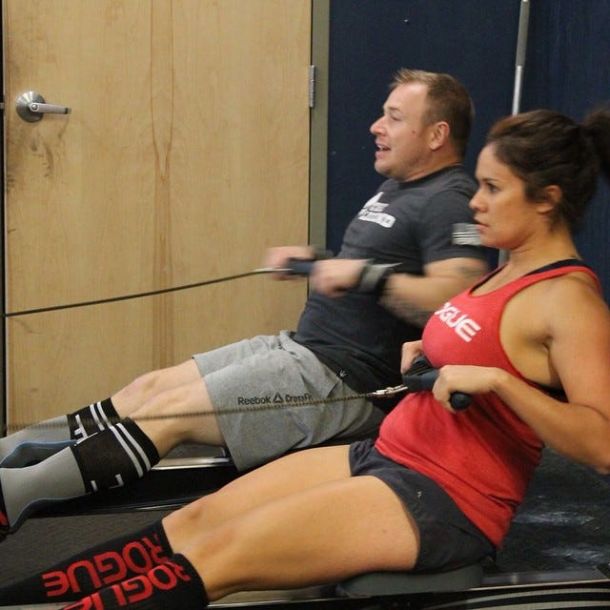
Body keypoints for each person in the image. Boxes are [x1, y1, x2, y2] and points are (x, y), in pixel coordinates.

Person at [2, 105, 610, 608]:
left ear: (547, 199)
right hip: (387, 452)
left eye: (493, 188)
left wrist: (501, 384)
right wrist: (426, 347)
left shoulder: (569, 300)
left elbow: (601, 443)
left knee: (219, 554)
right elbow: (483, 340)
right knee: (194, 523)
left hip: (446, 498)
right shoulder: (506, 269)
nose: (475, 202)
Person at [0, 69, 489, 538]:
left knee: (168, 414)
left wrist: (364, 274)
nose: (376, 126)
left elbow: (454, 294)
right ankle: (9, 452)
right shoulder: (400, 188)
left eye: (395, 117)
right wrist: (320, 262)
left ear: (436, 134)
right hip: (304, 349)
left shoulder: (450, 197)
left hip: (344, 382)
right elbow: (384, 274)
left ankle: (12, 497)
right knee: (145, 390)